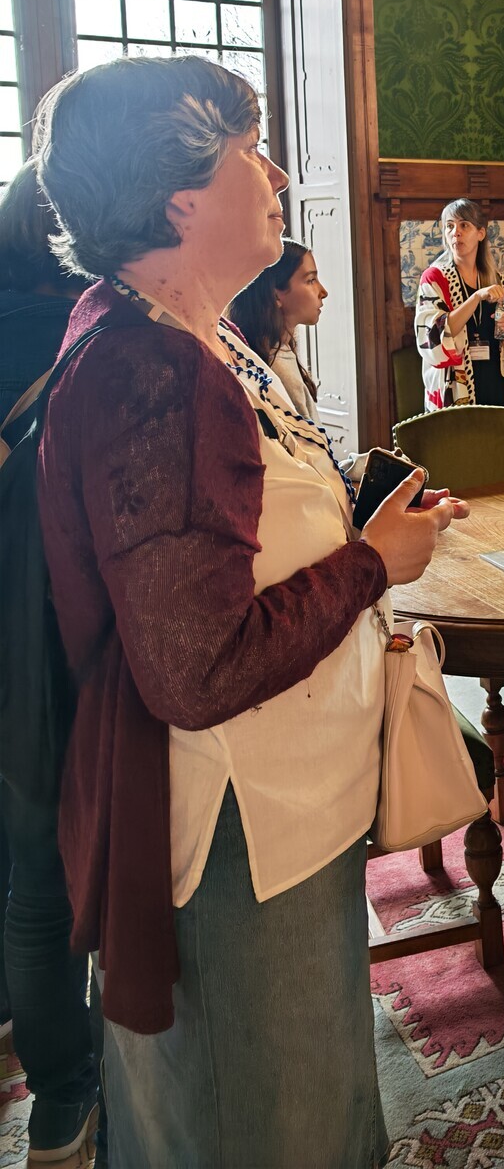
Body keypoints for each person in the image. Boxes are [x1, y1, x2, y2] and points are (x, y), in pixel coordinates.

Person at [35, 55, 466, 1169]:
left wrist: (361, 512)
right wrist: (370, 565)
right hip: (235, 827)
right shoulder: (153, 370)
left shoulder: (198, 334)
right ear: (179, 196)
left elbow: (243, 515)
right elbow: (197, 669)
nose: (276, 175)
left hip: (281, 804)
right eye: (248, 152)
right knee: (270, 1121)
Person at [0, 163, 100, 1166]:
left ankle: (55, 1095)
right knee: (75, 867)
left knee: (27, 870)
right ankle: (89, 1084)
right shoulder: (87, 338)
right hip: (61, 626)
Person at [414, 198, 504, 412]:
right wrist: (476, 298)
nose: (456, 232)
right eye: (450, 226)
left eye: (464, 225)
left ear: (480, 233)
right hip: (455, 389)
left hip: (496, 383)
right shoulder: (434, 279)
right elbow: (432, 335)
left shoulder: (500, 282)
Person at [227, 237, 327, 422]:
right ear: (276, 296)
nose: (323, 292)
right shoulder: (278, 369)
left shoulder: (276, 350)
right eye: (311, 280)